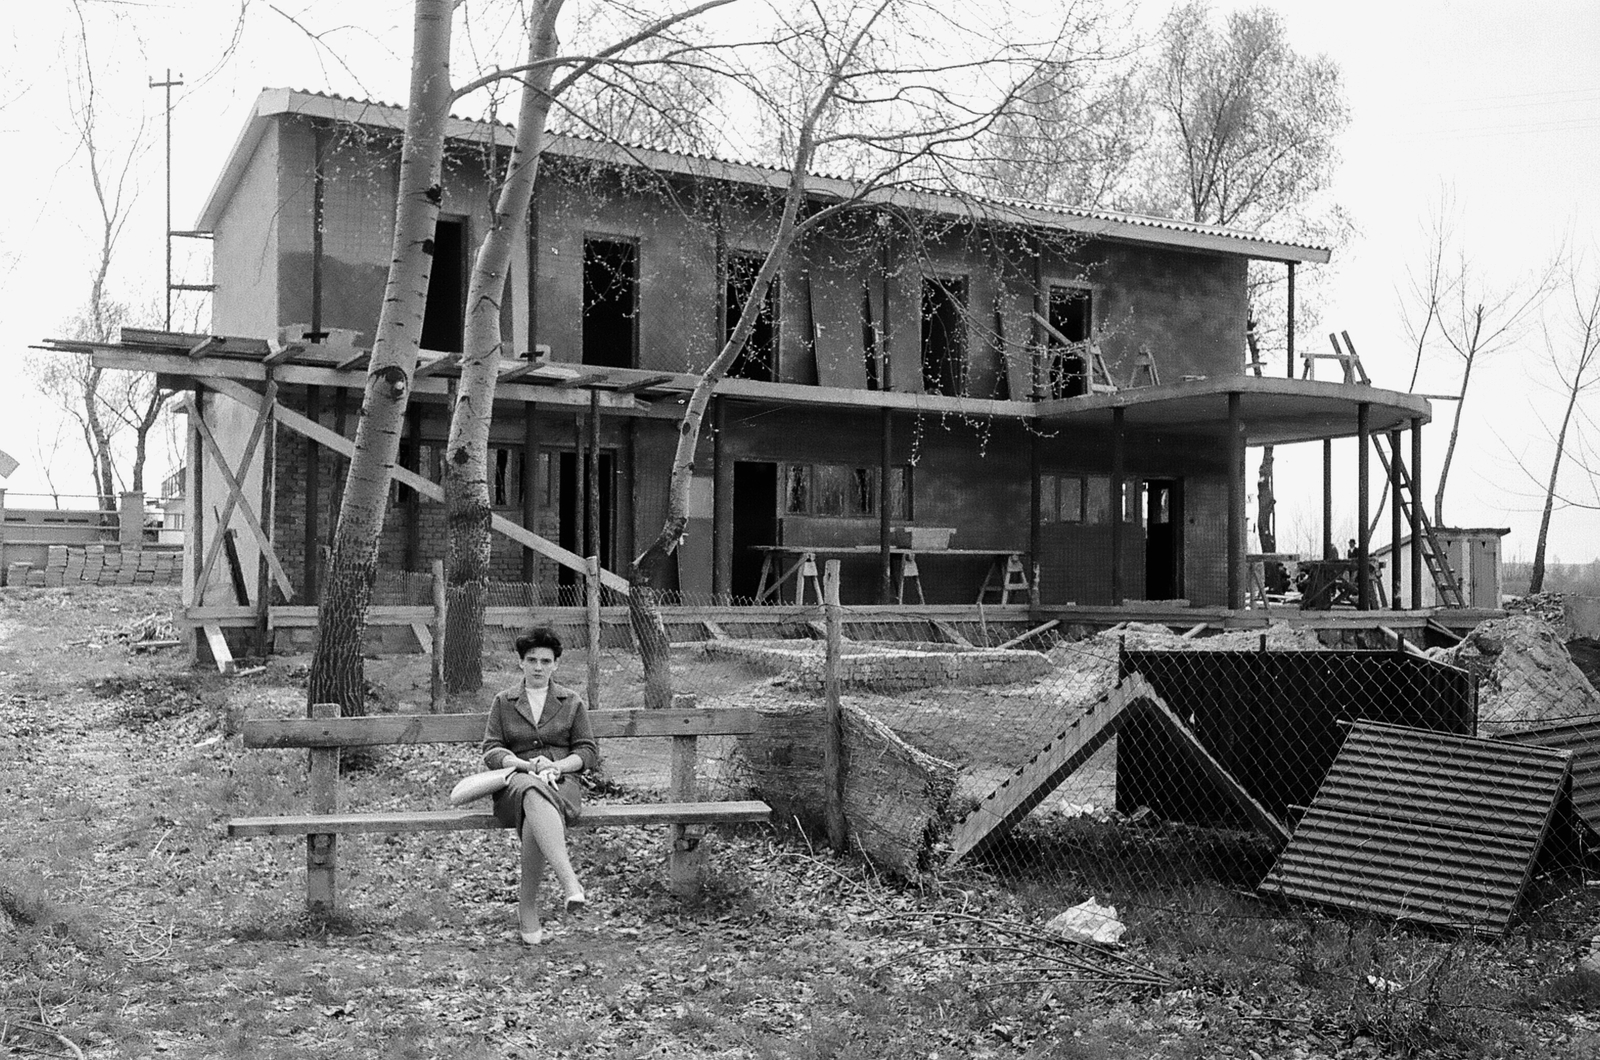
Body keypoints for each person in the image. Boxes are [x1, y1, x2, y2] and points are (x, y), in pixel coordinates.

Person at [482, 626, 599, 945]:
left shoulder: (571, 701)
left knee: (537, 803)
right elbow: (491, 750)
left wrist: (556, 766)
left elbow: (587, 751)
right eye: (531, 660)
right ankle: (570, 883)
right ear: (520, 662)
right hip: (514, 785)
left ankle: (528, 908)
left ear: (556, 664)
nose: (538, 667)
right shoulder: (504, 702)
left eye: (545, 661)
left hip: (561, 783)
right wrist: (523, 765)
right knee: (531, 790)